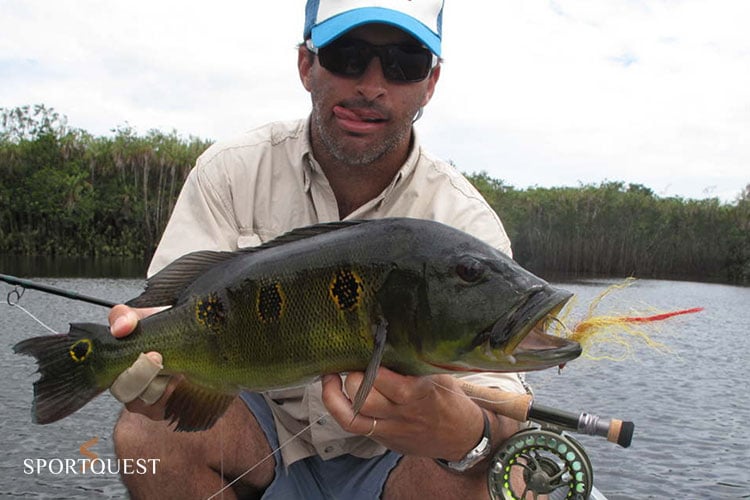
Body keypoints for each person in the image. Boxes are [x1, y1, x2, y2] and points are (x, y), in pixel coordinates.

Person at [109, 1, 529, 498]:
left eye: (404, 63)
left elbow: (505, 404)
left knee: (509, 479)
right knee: (145, 436)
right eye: (347, 55)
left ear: (430, 83)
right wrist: (147, 367)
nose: (372, 85)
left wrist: (467, 435)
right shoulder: (230, 171)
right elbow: (167, 313)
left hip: (397, 461)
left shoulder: (464, 222)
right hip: (262, 434)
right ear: (307, 65)